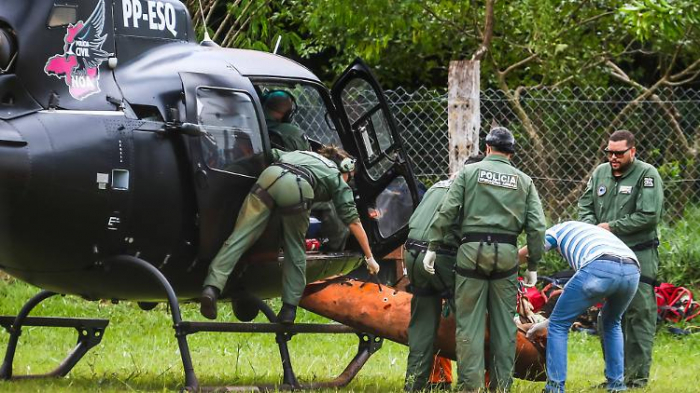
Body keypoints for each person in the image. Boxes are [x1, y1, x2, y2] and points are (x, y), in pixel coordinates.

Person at [200, 145, 380, 323]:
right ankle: (288, 310)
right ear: (346, 167)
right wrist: (369, 257)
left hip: (269, 177)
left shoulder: (301, 154)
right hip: (297, 187)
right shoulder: (336, 176)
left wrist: (227, 171)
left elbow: (268, 154)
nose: (349, 180)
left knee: (239, 237)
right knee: (294, 248)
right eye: (350, 176)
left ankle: (211, 288)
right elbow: (353, 221)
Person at [425, 127, 546, 392]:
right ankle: (501, 386)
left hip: (471, 254)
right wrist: (533, 265)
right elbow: (537, 228)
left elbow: (447, 211)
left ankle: (470, 386)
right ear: (511, 154)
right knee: (504, 327)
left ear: (488, 148)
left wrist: (433, 246)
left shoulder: (469, 173)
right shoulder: (524, 181)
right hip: (506, 256)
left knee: (469, 325)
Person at [578, 130, 663, 388]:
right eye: (609, 152)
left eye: (619, 153)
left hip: (639, 253)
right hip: (606, 254)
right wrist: (591, 229)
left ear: (632, 152)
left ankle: (636, 380)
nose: (613, 157)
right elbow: (585, 205)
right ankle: (614, 378)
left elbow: (649, 215)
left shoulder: (647, 175)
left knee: (638, 315)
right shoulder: (600, 173)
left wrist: (611, 227)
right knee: (609, 317)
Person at [522, 221, 641, 393]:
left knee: (558, 326)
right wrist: (545, 323)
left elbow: (532, 250)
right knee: (612, 322)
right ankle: (617, 385)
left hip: (599, 265)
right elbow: (572, 303)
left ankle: (554, 387)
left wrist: (505, 264)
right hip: (632, 269)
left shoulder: (557, 231)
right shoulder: (591, 233)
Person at [403, 155, 483, 392]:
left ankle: (414, 384)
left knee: (421, 325)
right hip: (441, 256)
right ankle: (470, 385)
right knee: (469, 321)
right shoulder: (471, 190)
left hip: (412, 254)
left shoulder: (437, 186)